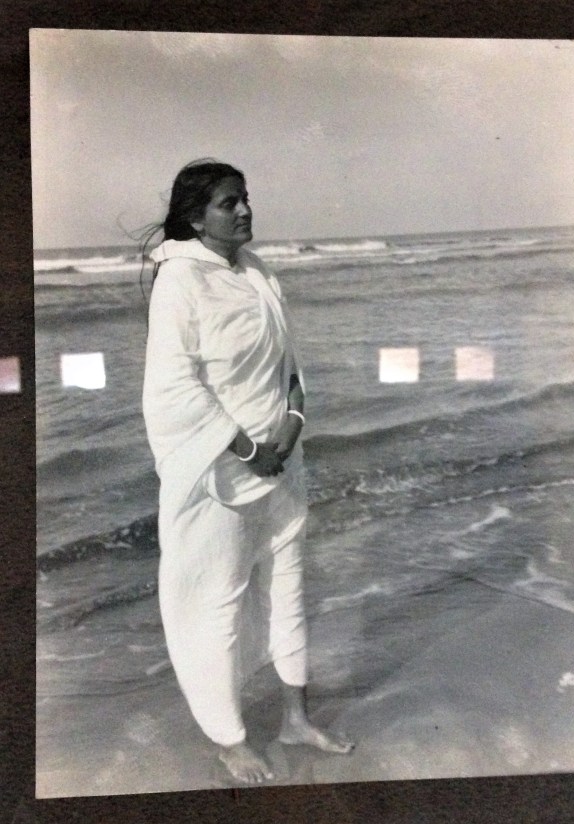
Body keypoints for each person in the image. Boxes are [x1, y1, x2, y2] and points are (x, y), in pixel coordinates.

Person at [142, 159, 353, 784]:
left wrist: (288, 430)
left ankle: (295, 717)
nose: (243, 211)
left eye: (245, 199)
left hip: (283, 463)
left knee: (288, 589)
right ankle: (229, 737)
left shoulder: (257, 272)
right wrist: (246, 449)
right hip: (219, 474)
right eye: (228, 203)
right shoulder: (180, 282)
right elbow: (174, 385)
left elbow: (289, 365)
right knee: (218, 602)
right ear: (195, 217)